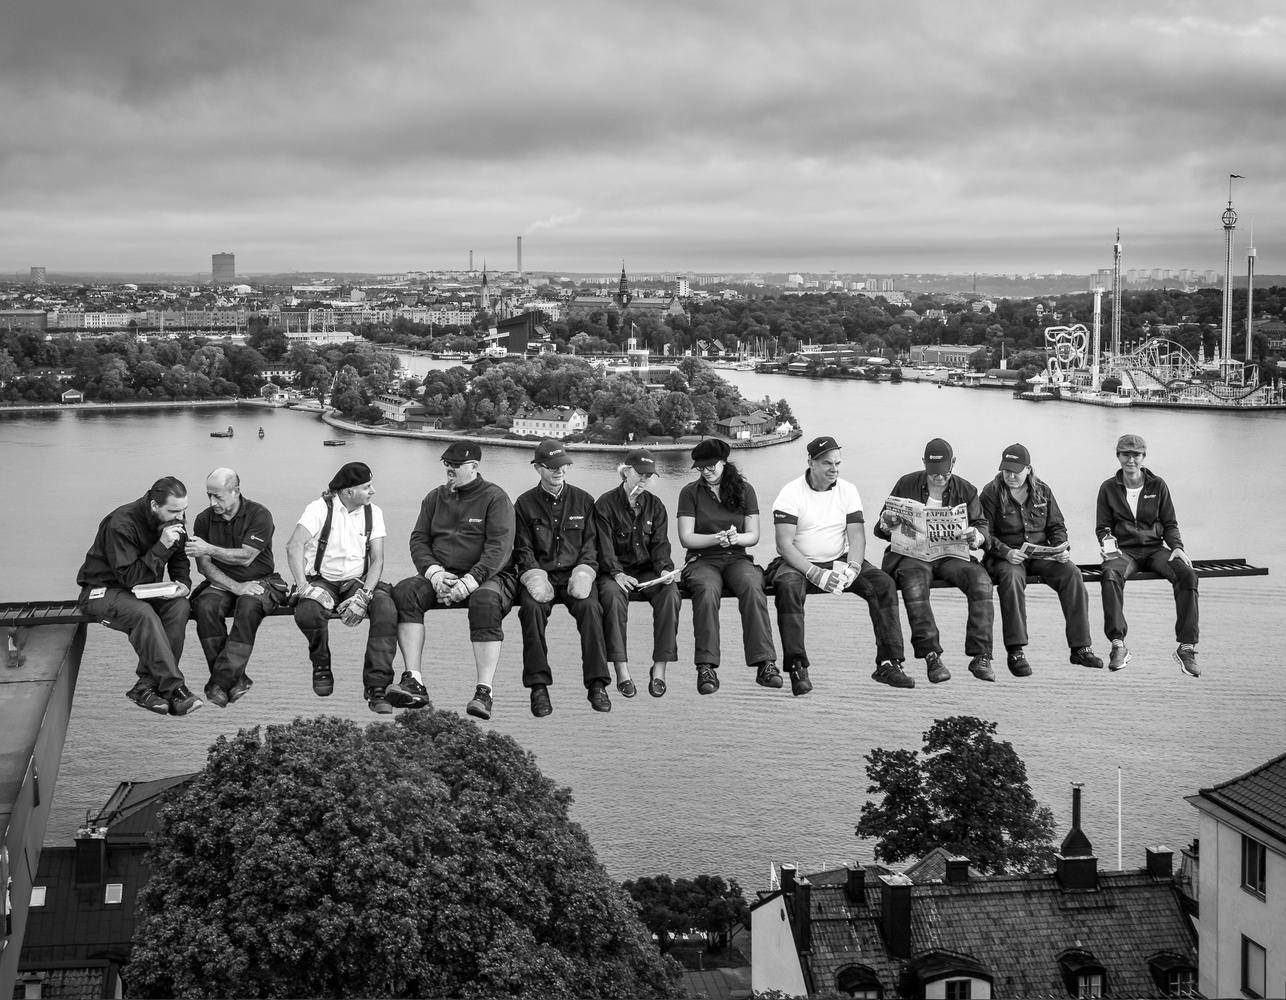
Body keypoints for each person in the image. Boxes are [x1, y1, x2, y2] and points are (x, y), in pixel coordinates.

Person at [766, 435, 912, 692]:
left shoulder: (848, 490)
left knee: (883, 584)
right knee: (788, 588)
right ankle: (797, 667)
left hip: (840, 558)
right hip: (798, 561)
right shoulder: (790, 493)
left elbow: (857, 537)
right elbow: (784, 545)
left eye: (837, 463)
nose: (834, 469)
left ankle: (889, 663)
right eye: (827, 463)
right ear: (811, 462)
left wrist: (854, 567)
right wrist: (814, 572)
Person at [392, 441, 516, 721]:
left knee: (485, 602)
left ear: (474, 466)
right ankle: (414, 681)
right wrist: (434, 572)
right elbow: (419, 540)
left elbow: (500, 547)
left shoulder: (496, 498)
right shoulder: (434, 498)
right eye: (447, 464)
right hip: (442, 573)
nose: (450, 469)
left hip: (488, 575)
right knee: (404, 593)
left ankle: (484, 692)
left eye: (456, 465)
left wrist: (470, 581)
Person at [286, 462, 414, 714]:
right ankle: (321, 664)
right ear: (348, 491)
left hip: (358, 581)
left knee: (386, 608)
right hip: (321, 579)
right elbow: (294, 546)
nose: (373, 491)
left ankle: (378, 686)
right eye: (367, 487)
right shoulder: (318, 509)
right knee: (308, 611)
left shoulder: (373, 512)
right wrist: (304, 587)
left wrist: (364, 596)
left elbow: (377, 560)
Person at [75, 476, 202, 716]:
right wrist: (161, 545)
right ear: (154, 505)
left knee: (179, 606)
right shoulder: (120, 523)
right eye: (174, 511)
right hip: (101, 591)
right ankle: (175, 689)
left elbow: (179, 558)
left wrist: (183, 584)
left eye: (184, 510)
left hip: (142, 591)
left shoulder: (174, 520)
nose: (180, 517)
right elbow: (129, 578)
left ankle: (145, 687)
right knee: (143, 614)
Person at [873, 437, 995, 683]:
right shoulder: (906, 483)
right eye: (933, 472)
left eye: (944, 472)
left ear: (954, 463)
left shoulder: (966, 490)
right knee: (914, 584)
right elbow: (881, 526)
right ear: (924, 463)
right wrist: (887, 522)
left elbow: (981, 525)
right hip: (912, 555)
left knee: (981, 580)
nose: (939, 477)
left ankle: (981, 655)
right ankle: (931, 656)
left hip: (950, 555)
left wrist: (977, 536)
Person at [979, 444, 1103, 675]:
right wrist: (1006, 552)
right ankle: (1016, 651)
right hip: (1005, 557)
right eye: (1006, 470)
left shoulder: (1043, 490)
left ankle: (1080, 647)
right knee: (1012, 579)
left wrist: (1060, 548)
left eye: (1016, 471)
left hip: (1040, 554)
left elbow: (1057, 527)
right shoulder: (990, 492)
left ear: (1028, 469)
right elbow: (984, 533)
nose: (1010, 475)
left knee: (1072, 573)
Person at [512, 439, 612, 716]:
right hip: (540, 576)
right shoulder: (524, 504)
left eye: (563, 465)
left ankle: (597, 685)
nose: (559, 471)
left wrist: (584, 572)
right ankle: (538, 688)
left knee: (591, 609)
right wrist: (534, 575)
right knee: (531, 611)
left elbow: (591, 545)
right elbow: (522, 548)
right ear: (538, 468)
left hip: (574, 575)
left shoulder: (584, 500)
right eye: (553, 467)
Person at [676, 438, 778, 695]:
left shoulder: (745, 490)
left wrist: (736, 538)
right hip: (701, 559)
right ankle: (706, 667)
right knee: (706, 590)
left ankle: (765, 663)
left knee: (752, 586)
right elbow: (686, 538)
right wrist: (715, 538)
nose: (705, 471)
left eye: (710, 466)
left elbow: (753, 535)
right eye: (700, 467)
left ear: (723, 462)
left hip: (736, 557)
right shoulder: (689, 493)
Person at [1095, 433, 1200, 676]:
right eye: (1125, 454)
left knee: (1188, 575)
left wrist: (1177, 547)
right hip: (1124, 552)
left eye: (1136, 455)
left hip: (1155, 549)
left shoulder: (1158, 485)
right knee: (1109, 575)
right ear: (1118, 456)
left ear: (1144, 457)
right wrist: (1107, 545)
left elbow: (1170, 523)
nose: (1130, 460)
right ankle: (1118, 645)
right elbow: (1103, 528)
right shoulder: (1108, 488)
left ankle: (1186, 648)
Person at [186, 468, 287, 707]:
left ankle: (220, 682)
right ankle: (236, 679)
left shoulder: (259, 514)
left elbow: (246, 557)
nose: (212, 502)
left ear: (236, 491)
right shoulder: (203, 519)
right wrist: (235, 587)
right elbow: (204, 566)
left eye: (218, 496)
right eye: (209, 495)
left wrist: (209, 548)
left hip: (261, 580)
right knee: (205, 607)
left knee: (249, 607)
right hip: (222, 583)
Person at [594, 448, 681, 699]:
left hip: (646, 570)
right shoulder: (605, 504)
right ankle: (622, 670)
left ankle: (659, 669)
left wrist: (664, 569)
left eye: (648, 476)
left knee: (670, 593)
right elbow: (603, 547)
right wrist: (617, 573)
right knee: (612, 597)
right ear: (626, 472)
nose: (643, 480)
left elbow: (661, 544)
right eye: (640, 474)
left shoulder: (655, 505)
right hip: (613, 571)